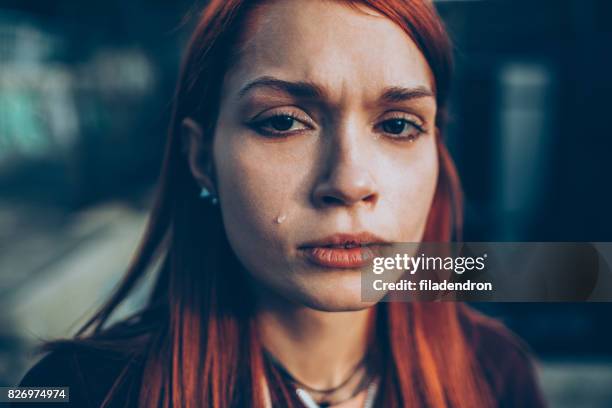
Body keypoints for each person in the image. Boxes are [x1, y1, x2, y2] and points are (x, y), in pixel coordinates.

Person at [16, 0, 546, 407]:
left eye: (399, 125)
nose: (349, 180)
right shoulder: (82, 390)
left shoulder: (495, 373)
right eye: (283, 122)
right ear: (201, 158)